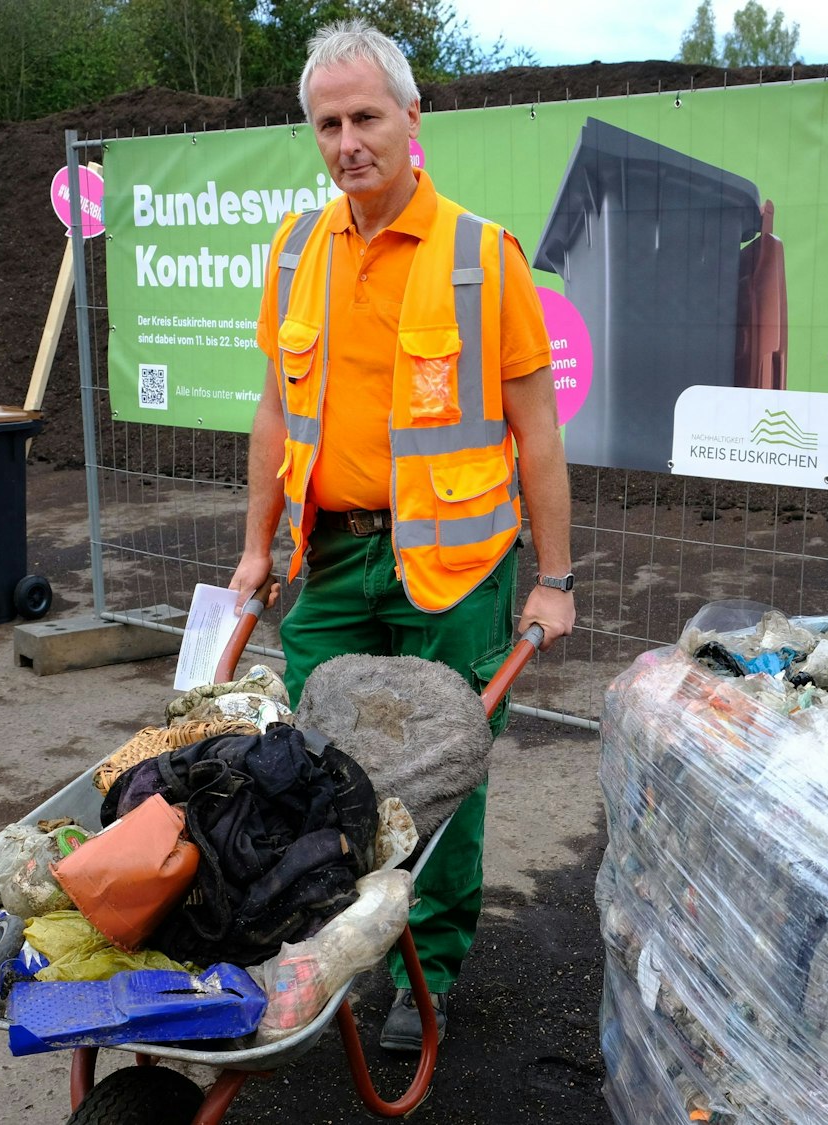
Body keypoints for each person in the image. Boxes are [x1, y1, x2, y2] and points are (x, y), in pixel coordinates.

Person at [228, 19, 576, 1053]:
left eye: (366, 118)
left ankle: (427, 972)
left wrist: (555, 579)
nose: (348, 143)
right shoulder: (297, 251)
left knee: (441, 774)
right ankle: (326, 938)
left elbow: (538, 433)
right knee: (312, 761)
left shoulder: (481, 256)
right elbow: (274, 413)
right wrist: (255, 548)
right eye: (328, 124)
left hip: (455, 567)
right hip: (333, 560)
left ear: (411, 117)